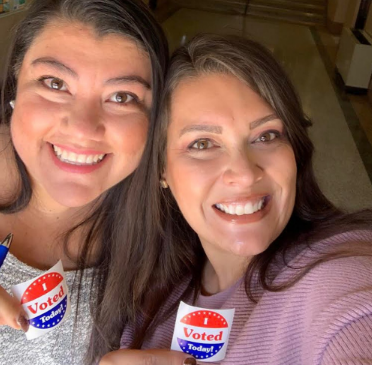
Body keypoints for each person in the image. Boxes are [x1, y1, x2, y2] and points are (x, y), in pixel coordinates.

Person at [100, 34, 372, 365]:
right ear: (161, 170)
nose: (244, 173)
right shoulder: (153, 286)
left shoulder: (338, 272)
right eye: (202, 144)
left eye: (266, 135)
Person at [0, 0, 169, 364]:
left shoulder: (172, 237)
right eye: (54, 83)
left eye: (122, 97)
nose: (82, 127)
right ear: (15, 86)